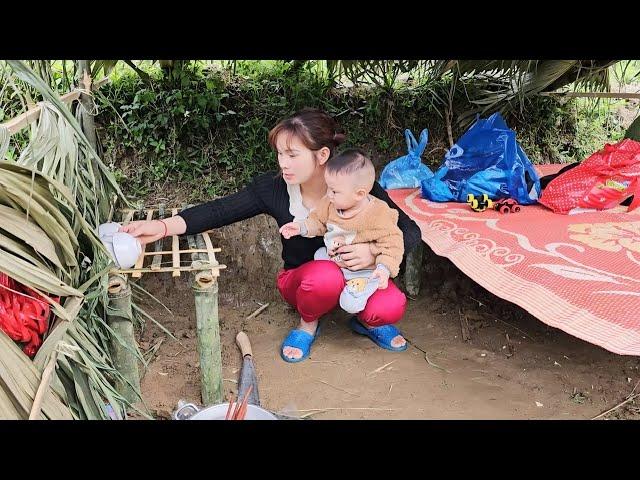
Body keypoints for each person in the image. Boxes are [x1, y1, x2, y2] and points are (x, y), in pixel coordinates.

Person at [120, 108, 422, 363]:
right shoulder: (274, 188)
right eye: (280, 154)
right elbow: (219, 211)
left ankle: (365, 321)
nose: (283, 163)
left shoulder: (358, 186)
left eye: (292, 154)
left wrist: (371, 253)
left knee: (388, 307)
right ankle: (308, 324)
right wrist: (162, 226)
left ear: (322, 155)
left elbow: (409, 230)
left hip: (359, 278)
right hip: (304, 281)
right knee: (324, 276)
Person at [279, 148, 404, 319]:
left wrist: (383, 268)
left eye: (334, 191)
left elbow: (393, 243)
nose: (329, 194)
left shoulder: (378, 214)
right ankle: (328, 296)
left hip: (362, 271)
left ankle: (358, 297)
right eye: (328, 188)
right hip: (334, 259)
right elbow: (318, 221)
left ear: (359, 194)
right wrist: (301, 227)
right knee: (319, 258)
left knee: (350, 303)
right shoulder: (330, 203)